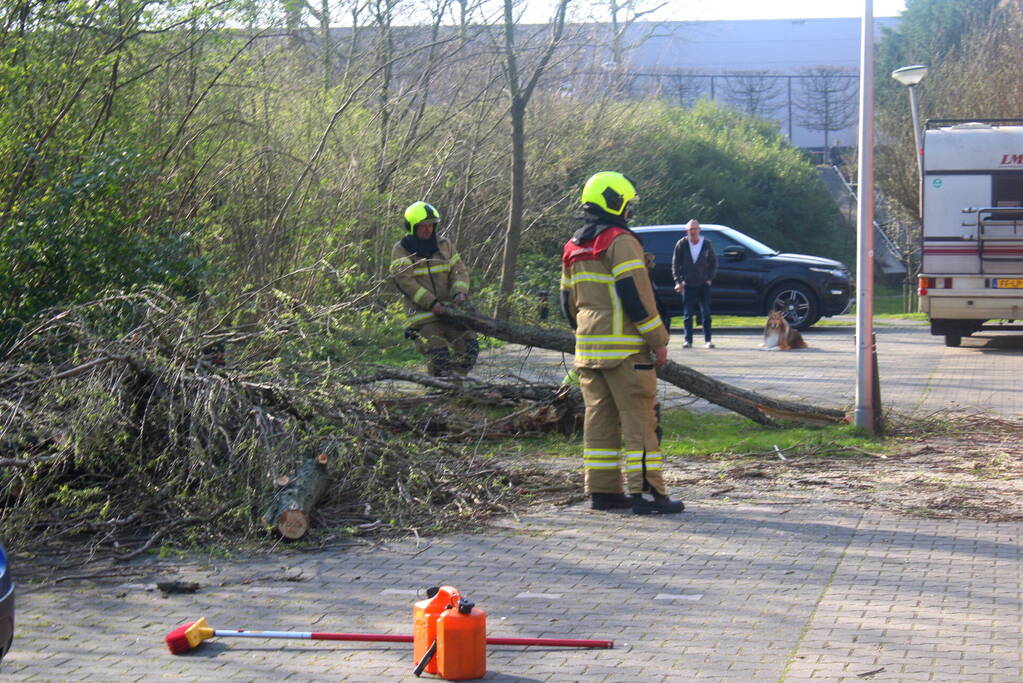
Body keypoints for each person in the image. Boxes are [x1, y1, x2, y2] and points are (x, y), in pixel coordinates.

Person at [560, 171, 684, 515]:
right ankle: (647, 495)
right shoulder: (621, 241)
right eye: (627, 205)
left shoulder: (573, 246)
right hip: (628, 352)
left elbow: (566, 302)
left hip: (588, 351)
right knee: (640, 420)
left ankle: (602, 492)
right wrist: (658, 339)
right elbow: (636, 296)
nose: (629, 212)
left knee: (598, 421)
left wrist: (585, 335)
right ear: (615, 202)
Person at [391, 201, 479, 376]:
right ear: (411, 227)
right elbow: (406, 282)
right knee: (439, 357)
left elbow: (459, 271)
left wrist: (460, 293)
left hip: (451, 312)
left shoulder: (444, 245)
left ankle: (456, 385)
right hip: (423, 316)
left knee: (469, 349)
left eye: (431, 225)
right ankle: (439, 388)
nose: (428, 229)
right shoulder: (401, 250)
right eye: (423, 226)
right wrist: (432, 303)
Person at [672, 219, 718, 349]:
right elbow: (675, 264)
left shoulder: (707, 244)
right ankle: (688, 340)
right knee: (688, 315)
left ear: (699, 230)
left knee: (706, 313)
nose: (693, 231)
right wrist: (678, 281)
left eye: (695, 229)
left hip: (703, 284)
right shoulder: (681, 244)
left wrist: (710, 278)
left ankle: (708, 340)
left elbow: (713, 262)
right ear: (686, 231)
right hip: (688, 284)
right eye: (690, 229)